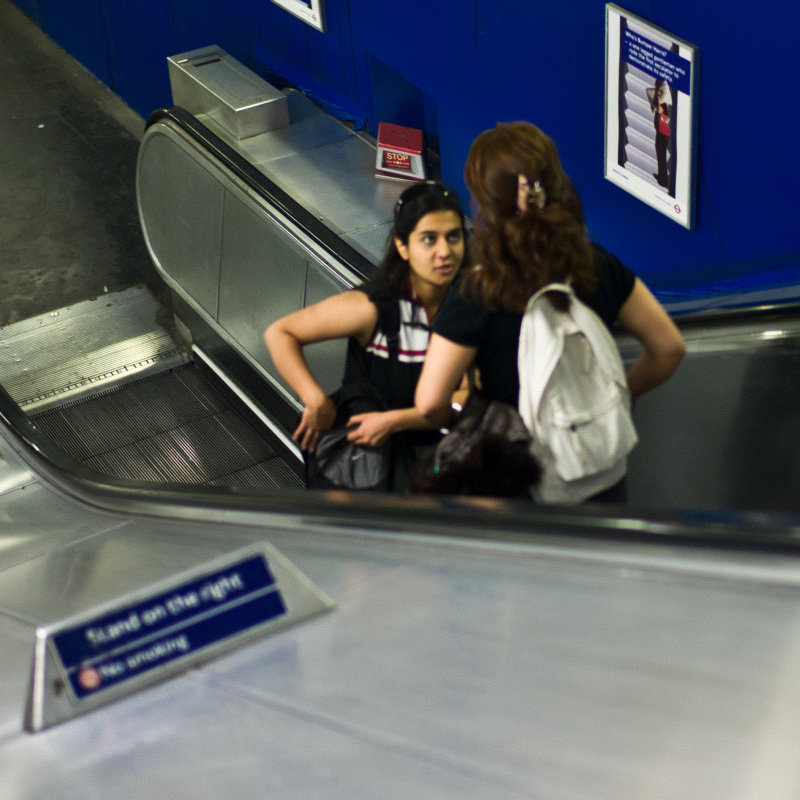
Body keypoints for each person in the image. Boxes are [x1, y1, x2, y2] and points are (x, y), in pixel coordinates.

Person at [414, 121, 686, 502]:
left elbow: (429, 403)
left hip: (522, 480)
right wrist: (622, 393)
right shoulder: (598, 267)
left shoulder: (476, 292)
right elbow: (669, 348)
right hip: (602, 474)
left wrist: (458, 420)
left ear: (484, 203)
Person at [265, 180, 469, 489]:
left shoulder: (469, 308)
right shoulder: (375, 307)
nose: (444, 252)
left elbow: (467, 396)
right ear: (403, 246)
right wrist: (315, 399)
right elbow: (280, 333)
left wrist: (395, 421)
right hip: (366, 463)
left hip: (435, 459)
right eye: (429, 239)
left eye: (453, 237)